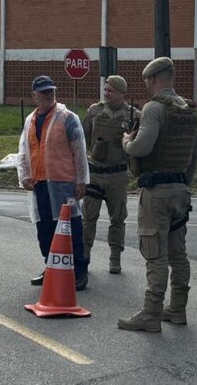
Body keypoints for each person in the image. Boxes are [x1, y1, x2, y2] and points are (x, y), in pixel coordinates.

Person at [117, 57, 197, 332]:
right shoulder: (188, 109)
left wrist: (127, 142)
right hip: (181, 190)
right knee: (179, 253)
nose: (146, 86)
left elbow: (142, 147)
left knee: (156, 254)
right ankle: (177, 309)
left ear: (153, 79)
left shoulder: (154, 109)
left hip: (157, 191)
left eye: (146, 81)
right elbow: (194, 155)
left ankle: (151, 313)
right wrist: (185, 184)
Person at [17, 75, 90, 291]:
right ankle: (50, 266)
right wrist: (24, 175)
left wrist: (81, 181)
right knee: (45, 229)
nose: (48, 95)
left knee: (72, 229)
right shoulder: (30, 120)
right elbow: (23, 150)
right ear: (34, 96)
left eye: (51, 91)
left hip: (64, 183)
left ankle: (79, 272)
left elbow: (79, 150)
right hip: (39, 184)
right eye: (43, 92)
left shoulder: (68, 118)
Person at [82, 75, 139, 274]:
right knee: (88, 217)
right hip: (95, 173)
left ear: (122, 93)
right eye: (105, 89)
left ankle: (115, 259)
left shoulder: (133, 115)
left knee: (118, 219)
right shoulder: (94, 111)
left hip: (117, 176)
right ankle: (84, 256)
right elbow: (83, 140)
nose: (106, 93)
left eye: (110, 90)